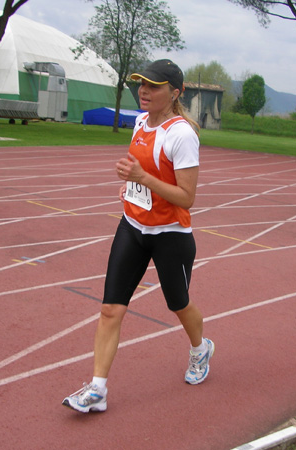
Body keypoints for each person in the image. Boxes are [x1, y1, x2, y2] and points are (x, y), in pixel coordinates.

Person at [63, 59, 214, 413]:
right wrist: (131, 188)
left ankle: (200, 349)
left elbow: (187, 197)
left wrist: (142, 179)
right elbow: (140, 170)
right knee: (110, 308)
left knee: (178, 302)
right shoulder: (140, 121)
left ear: (175, 93)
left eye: (153, 86)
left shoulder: (181, 134)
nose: (143, 91)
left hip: (170, 235)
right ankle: (97, 390)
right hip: (132, 225)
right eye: (141, 84)